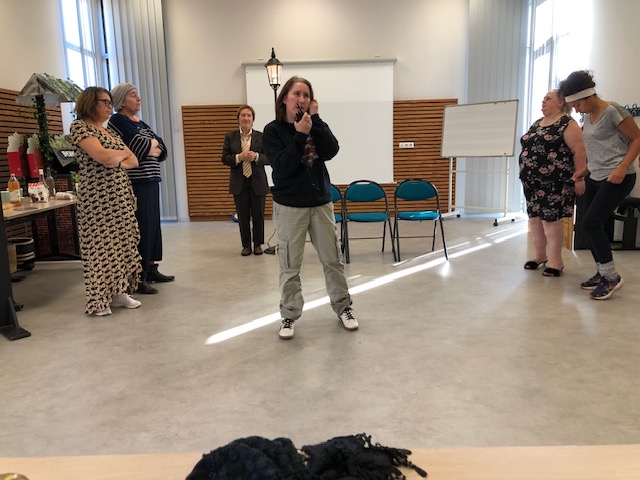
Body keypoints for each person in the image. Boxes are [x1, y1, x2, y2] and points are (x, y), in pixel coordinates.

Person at [263, 76, 358, 340]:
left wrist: (316, 120)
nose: (301, 99)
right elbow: (282, 167)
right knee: (290, 264)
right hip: (289, 206)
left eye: (306, 95)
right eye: (297, 94)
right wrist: (300, 135)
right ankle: (289, 314)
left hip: (320, 203)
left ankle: (343, 307)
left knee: (333, 259)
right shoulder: (273, 131)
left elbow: (331, 150)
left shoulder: (314, 124)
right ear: (285, 98)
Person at [559, 70, 640, 300]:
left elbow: (637, 138)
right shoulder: (588, 115)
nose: (577, 110)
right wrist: (586, 169)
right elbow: (599, 148)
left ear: (587, 95)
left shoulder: (613, 110)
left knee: (591, 223)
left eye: (577, 105)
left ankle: (611, 277)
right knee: (590, 226)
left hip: (618, 177)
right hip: (595, 176)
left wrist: (622, 167)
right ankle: (602, 272)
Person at [69, 87, 142, 316]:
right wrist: (118, 156)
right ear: (90, 103)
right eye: (105, 102)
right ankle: (99, 300)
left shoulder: (108, 131)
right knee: (101, 247)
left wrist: (116, 158)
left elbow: (134, 160)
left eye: (111, 102)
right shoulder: (80, 127)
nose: (110, 107)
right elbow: (102, 156)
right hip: (97, 201)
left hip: (120, 199)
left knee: (122, 245)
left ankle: (118, 293)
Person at [108, 83, 175, 295]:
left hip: (151, 180)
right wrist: (152, 145)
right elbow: (140, 147)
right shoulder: (118, 121)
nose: (139, 99)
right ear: (121, 100)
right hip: (137, 183)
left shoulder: (140, 123)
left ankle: (151, 267)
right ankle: (140, 275)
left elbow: (163, 149)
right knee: (142, 227)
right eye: (133, 95)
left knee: (153, 226)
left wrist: (153, 146)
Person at [519, 89, 587, 277]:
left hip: (554, 182)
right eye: (543, 99)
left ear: (560, 102)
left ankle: (556, 261)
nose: (543, 101)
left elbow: (579, 151)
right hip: (531, 182)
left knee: (550, 220)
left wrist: (579, 178)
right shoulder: (537, 123)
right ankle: (540, 255)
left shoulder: (567, 123)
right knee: (534, 219)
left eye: (548, 99)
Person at [221, 105, 270, 256]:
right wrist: (238, 157)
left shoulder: (261, 136)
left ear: (253, 119)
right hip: (239, 182)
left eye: (249, 115)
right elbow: (224, 158)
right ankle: (246, 245)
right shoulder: (230, 136)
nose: (246, 118)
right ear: (238, 119)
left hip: (258, 182)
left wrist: (256, 156)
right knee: (242, 216)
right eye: (243, 115)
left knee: (258, 215)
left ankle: (258, 245)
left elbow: (269, 158)